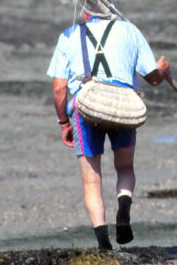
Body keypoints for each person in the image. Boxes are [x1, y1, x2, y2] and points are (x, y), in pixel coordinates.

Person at [48, 13, 170, 250]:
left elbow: (59, 88)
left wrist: (64, 122)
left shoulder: (69, 35)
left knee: (91, 181)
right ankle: (123, 212)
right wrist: (163, 70)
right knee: (125, 167)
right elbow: (153, 78)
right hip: (123, 107)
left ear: (85, 13)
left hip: (86, 108)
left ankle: (104, 245)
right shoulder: (129, 30)